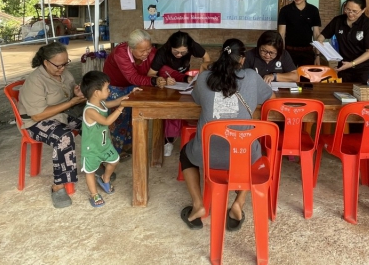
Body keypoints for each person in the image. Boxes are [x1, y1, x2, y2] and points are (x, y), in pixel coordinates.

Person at [179, 39, 274, 230]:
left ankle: (198, 204)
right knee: (255, 151)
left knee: (185, 154)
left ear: (222, 54)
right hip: (243, 156)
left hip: (206, 155)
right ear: (242, 59)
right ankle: (239, 202)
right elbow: (270, 97)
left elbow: (197, 99)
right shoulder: (251, 76)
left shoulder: (205, 77)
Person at [18, 42, 85, 208]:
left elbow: (69, 94)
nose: (62, 68)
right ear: (46, 62)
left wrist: (76, 94)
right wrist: (71, 103)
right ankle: (58, 186)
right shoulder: (35, 81)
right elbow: (37, 115)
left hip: (59, 115)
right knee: (64, 137)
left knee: (89, 124)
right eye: (58, 65)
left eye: (65, 63)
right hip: (35, 122)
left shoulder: (65, 74)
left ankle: (94, 163)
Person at [103, 29, 169, 155]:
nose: (146, 53)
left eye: (148, 48)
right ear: (131, 48)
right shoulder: (120, 53)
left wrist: (167, 78)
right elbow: (132, 77)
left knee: (133, 116)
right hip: (116, 85)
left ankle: (129, 146)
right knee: (119, 118)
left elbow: (162, 67)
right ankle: (116, 151)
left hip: (135, 85)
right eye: (142, 51)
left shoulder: (152, 52)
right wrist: (153, 80)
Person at [79, 71, 140, 208]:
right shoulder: (90, 110)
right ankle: (94, 194)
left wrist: (129, 95)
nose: (109, 90)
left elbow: (115, 102)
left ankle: (104, 179)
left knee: (114, 160)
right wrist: (121, 108)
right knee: (90, 171)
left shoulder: (101, 103)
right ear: (96, 92)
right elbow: (106, 121)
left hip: (104, 144)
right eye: (107, 88)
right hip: (92, 148)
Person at [148, 31, 212, 157]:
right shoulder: (162, 52)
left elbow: (206, 58)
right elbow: (150, 74)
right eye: (175, 51)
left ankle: (187, 137)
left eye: (183, 52)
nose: (179, 55)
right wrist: (162, 80)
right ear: (170, 47)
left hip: (183, 81)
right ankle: (167, 141)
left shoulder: (193, 46)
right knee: (169, 110)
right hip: (166, 84)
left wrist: (203, 73)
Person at [316, 0, 369, 83]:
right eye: (348, 9)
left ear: (363, 10)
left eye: (355, 11)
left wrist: (352, 64)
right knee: (344, 91)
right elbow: (322, 36)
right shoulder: (338, 21)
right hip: (344, 67)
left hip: (364, 69)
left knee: (362, 91)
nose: (350, 14)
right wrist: (320, 42)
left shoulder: (368, 25)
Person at [277, 0, 322, 67]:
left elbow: (316, 34)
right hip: (289, 51)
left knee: (306, 75)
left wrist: (317, 55)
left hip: (307, 51)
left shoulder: (313, 10)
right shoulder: (285, 10)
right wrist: (282, 53)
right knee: (289, 74)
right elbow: (281, 34)